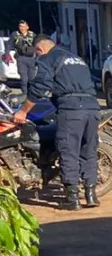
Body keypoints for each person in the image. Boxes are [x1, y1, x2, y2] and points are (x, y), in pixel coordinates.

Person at [9, 37, 100, 210]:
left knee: (68, 151)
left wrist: (23, 111)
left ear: (40, 49)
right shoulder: (77, 59)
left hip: (71, 110)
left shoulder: (48, 59)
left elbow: (40, 86)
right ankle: (90, 194)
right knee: (88, 150)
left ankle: (72, 198)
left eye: (36, 53)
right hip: (93, 109)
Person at [12, 20, 36, 91]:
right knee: (24, 79)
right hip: (21, 58)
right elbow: (9, 44)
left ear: (27, 27)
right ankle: (25, 94)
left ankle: (32, 94)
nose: (21, 28)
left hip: (31, 59)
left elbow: (37, 45)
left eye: (23, 26)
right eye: (20, 26)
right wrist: (7, 53)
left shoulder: (33, 35)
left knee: (32, 78)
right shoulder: (15, 35)